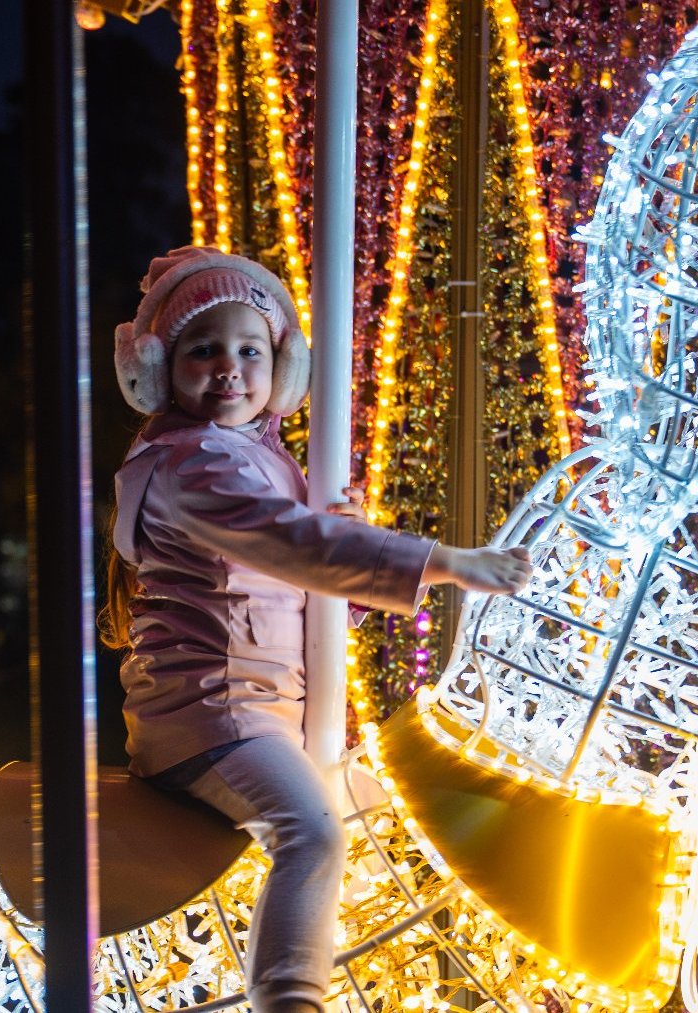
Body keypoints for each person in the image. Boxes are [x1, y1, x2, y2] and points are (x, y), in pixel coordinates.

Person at [101, 246, 534, 1013]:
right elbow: (296, 547)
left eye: (250, 350)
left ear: (281, 368)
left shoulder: (260, 460)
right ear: (161, 368)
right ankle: (291, 999)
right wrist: (446, 562)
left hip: (263, 708)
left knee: (377, 816)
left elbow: (301, 584)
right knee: (313, 832)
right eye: (203, 350)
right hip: (215, 716)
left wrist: (344, 563)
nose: (228, 368)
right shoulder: (191, 462)